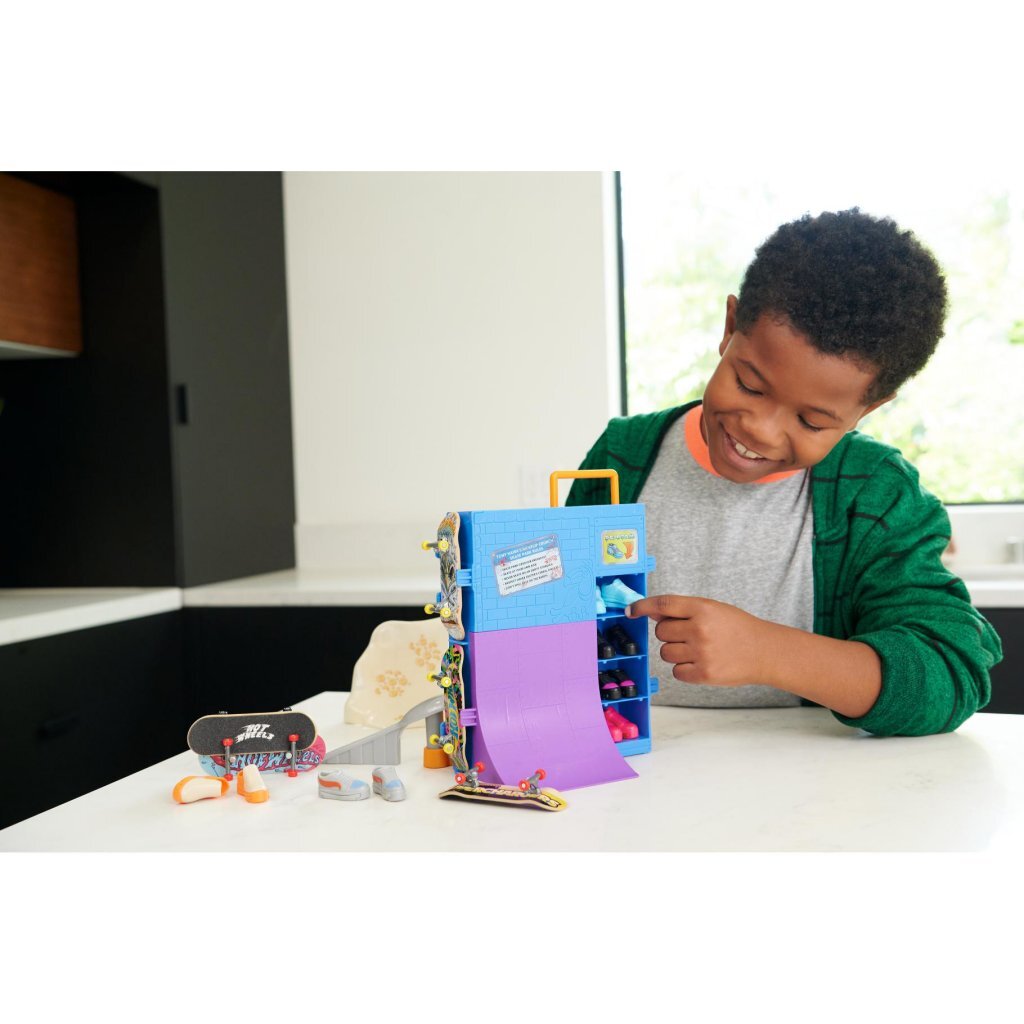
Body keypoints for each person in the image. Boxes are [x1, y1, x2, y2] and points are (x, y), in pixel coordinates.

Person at [567, 208, 1002, 736]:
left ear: (867, 409)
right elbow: (558, 615)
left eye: (811, 421)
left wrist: (768, 651)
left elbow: (953, 671)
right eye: (750, 385)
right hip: (638, 762)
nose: (762, 431)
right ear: (730, 329)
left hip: (805, 778)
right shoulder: (621, 456)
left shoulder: (876, 494)